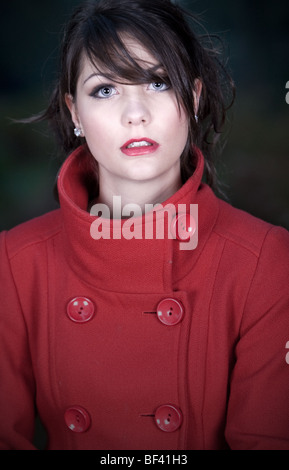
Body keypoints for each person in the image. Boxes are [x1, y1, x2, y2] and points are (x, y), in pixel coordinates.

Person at [1, 0, 289, 451]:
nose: (135, 113)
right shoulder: (15, 263)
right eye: (105, 90)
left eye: (157, 82)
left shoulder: (265, 260)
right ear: (75, 113)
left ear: (192, 98)